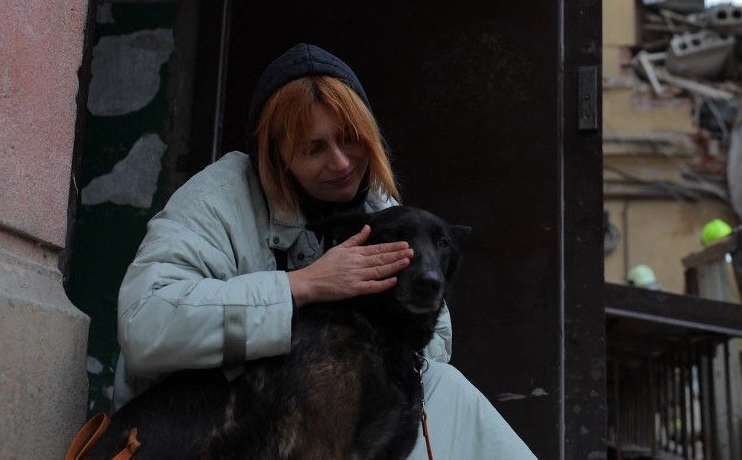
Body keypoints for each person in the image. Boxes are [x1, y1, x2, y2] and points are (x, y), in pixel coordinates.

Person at [112, 43, 535, 458]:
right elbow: (145, 325)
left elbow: (435, 338)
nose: (341, 163)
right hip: (198, 433)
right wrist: (301, 286)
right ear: (275, 156)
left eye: (350, 139)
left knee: (445, 387)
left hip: (310, 423)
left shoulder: (381, 210)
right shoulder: (217, 199)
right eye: (314, 148)